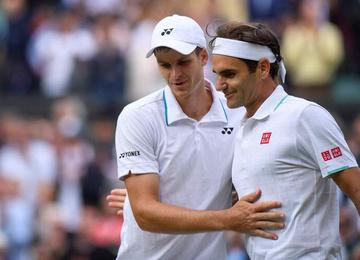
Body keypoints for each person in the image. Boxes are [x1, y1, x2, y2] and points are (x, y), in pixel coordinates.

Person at [113, 15, 284, 260]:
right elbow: (145, 213)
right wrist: (227, 219)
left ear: (203, 57)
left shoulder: (239, 114)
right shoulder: (136, 117)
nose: (174, 75)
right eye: (165, 65)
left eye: (183, 62)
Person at [210, 21, 360, 259]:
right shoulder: (239, 128)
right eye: (217, 74)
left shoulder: (305, 116)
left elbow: (356, 188)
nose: (219, 85)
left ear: (261, 69)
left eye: (229, 74)